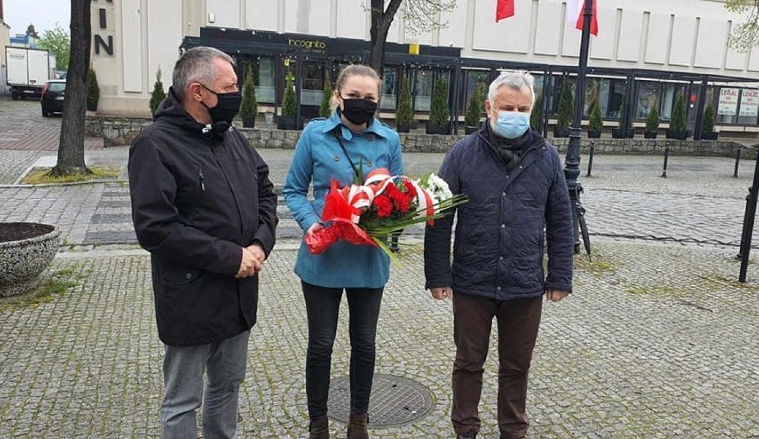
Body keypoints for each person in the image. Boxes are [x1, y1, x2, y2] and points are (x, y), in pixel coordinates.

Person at [128, 46, 278, 439]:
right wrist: (232, 257)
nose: (237, 94)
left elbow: (266, 192)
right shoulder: (155, 145)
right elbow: (155, 228)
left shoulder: (231, 137)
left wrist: (261, 243)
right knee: (182, 401)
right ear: (198, 91)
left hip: (239, 293)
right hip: (191, 297)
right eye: (229, 87)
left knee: (227, 387)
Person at [424, 71, 574, 439]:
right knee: (468, 362)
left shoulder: (547, 157)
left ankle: (513, 430)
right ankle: (465, 429)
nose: (515, 114)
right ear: (489, 108)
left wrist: (560, 276)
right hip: (472, 279)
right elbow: (439, 217)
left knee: (516, 367)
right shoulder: (462, 154)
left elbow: (560, 221)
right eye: (507, 107)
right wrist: (437, 275)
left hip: (524, 283)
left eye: (523, 108)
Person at [283, 64, 403, 439]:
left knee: (364, 343)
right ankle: (318, 423)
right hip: (325, 255)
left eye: (370, 98)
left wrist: (385, 224)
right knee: (321, 343)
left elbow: (399, 198)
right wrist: (311, 222)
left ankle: (358, 422)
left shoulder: (390, 140)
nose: (361, 104)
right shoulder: (315, 134)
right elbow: (292, 190)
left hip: (368, 259)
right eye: (354, 96)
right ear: (338, 96)